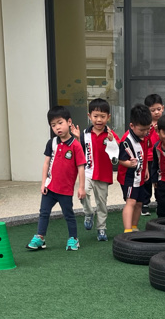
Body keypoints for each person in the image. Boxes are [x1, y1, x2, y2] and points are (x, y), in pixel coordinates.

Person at [28, 106, 86, 251]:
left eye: (60, 123)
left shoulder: (76, 145)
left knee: (68, 215)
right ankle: (40, 238)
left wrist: (81, 187)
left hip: (65, 190)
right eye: (53, 125)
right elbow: (46, 163)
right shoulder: (52, 143)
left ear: (69, 122)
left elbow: (81, 167)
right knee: (44, 212)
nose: (57, 127)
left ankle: (73, 239)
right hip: (50, 187)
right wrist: (43, 183)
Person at [75, 98, 120, 241]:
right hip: (88, 172)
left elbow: (117, 152)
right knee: (83, 194)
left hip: (104, 175)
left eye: (102, 116)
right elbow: (79, 151)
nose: (99, 120)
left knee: (102, 204)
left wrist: (113, 141)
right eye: (95, 116)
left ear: (108, 117)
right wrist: (77, 139)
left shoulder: (111, 134)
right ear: (89, 116)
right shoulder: (85, 134)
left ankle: (101, 229)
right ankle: (88, 213)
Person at [117, 103, 154, 232]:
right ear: (132, 126)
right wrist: (129, 164)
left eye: (147, 129)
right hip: (129, 177)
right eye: (142, 130)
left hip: (140, 175)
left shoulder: (145, 136)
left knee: (139, 203)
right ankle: (127, 230)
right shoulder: (126, 141)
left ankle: (134, 227)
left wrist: (146, 168)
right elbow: (120, 159)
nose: (145, 132)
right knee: (131, 202)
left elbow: (145, 153)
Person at [141, 94, 165, 216]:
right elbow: (143, 139)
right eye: (152, 110)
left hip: (160, 157)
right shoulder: (145, 124)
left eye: (158, 109)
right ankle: (145, 203)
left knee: (158, 181)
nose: (156, 112)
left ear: (163, 108)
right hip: (147, 157)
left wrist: (158, 131)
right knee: (146, 180)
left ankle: (160, 202)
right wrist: (150, 130)